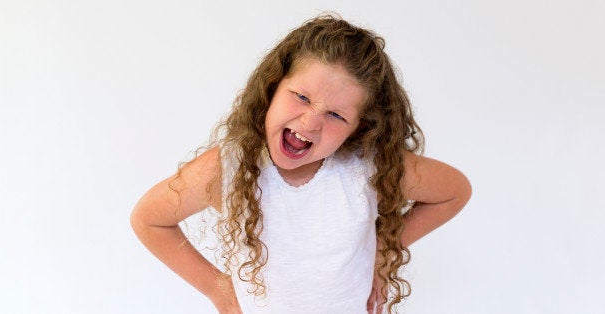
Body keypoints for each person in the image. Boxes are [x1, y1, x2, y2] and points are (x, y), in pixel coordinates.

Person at [130, 14, 471, 314]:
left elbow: (454, 191)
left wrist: (382, 252)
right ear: (272, 88)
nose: (310, 123)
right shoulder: (229, 167)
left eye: (336, 115)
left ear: (359, 129)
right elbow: (149, 219)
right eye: (302, 97)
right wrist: (216, 289)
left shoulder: (366, 168)